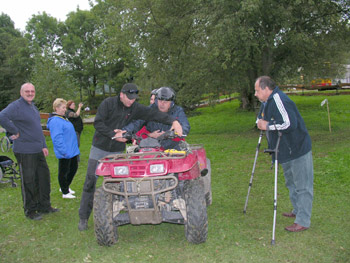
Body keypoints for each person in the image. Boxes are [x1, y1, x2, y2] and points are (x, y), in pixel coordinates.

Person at [78, 83, 183, 231]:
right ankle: (83, 217)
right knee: (90, 181)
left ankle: (114, 214)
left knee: (118, 184)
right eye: (128, 98)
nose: (131, 101)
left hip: (117, 151)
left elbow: (154, 114)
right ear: (121, 94)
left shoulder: (135, 108)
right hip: (100, 147)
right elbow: (98, 123)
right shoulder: (108, 104)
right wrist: (114, 134)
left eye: (134, 98)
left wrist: (174, 121)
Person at [254, 76, 313, 232]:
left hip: (297, 148)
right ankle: (297, 210)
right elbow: (260, 119)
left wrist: (268, 125)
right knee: (291, 183)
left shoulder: (280, 100)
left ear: (266, 89)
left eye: (257, 90)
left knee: (303, 186)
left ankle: (303, 221)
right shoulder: (266, 103)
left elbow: (289, 124)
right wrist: (260, 123)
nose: (255, 94)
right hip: (284, 150)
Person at [0, 83, 58, 220]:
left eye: (32, 91)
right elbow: (2, 116)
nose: (30, 93)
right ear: (21, 92)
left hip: (37, 149)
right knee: (29, 180)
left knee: (43, 177)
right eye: (27, 91)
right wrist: (14, 131)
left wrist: (43, 145)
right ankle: (30, 210)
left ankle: (44, 206)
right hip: (25, 150)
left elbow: (37, 127)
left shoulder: (32, 106)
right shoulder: (16, 106)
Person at [123, 87, 190, 150]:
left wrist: (172, 133)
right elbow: (136, 123)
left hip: (173, 147)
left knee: (179, 159)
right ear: (156, 100)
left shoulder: (178, 111)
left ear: (171, 102)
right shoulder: (149, 110)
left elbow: (185, 125)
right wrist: (125, 131)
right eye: (160, 101)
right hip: (152, 147)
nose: (162, 104)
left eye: (165, 102)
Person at [47, 99, 80, 199]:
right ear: (56, 108)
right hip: (65, 151)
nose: (65, 110)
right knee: (64, 171)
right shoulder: (55, 121)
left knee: (73, 168)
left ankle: (65, 186)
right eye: (63, 108)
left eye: (65, 107)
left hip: (72, 150)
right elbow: (57, 138)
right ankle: (65, 192)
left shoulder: (63, 118)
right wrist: (63, 151)